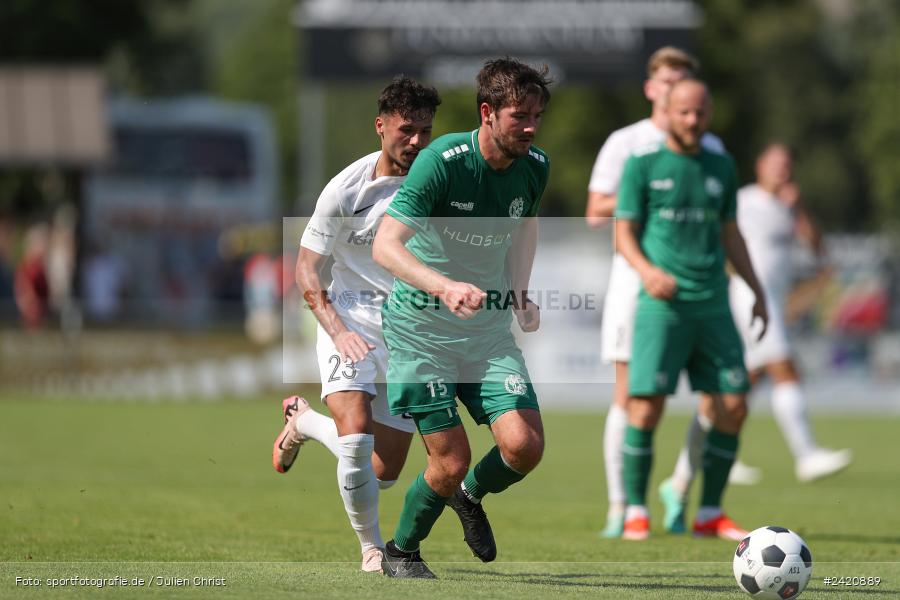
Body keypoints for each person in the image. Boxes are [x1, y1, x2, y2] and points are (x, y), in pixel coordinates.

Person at [372, 57, 551, 578]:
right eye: (520, 115)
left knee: (525, 446)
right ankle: (402, 551)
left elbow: (524, 227)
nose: (531, 126)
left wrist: (520, 293)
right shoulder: (442, 161)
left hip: (487, 334)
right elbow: (387, 246)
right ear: (487, 112)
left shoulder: (535, 165)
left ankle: (469, 497)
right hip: (420, 334)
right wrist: (444, 286)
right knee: (448, 461)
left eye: (537, 115)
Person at [271, 76, 441, 573]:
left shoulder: (437, 181)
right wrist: (337, 329)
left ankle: (301, 422)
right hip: (351, 323)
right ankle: (372, 550)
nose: (415, 142)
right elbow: (305, 268)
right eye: (406, 130)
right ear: (380, 125)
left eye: (425, 131)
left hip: (409, 337)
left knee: (382, 472)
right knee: (356, 435)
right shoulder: (345, 190)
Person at [585, 46, 731, 538]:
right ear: (652, 89)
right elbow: (593, 211)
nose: (674, 90)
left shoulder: (711, 149)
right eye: (667, 82)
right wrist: (643, 195)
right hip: (638, 276)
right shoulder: (627, 143)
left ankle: (683, 487)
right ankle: (621, 505)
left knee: (720, 399)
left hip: (699, 285)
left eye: (683, 81)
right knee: (634, 395)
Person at [615, 78, 768, 541]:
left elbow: (731, 233)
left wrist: (757, 289)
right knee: (645, 408)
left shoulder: (720, 165)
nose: (692, 120)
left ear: (710, 113)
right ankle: (636, 510)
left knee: (734, 405)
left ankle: (710, 513)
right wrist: (647, 271)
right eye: (684, 112)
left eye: (700, 112)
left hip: (714, 306)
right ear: (667, 110)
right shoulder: (642, 165)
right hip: (662, 307)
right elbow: (623, 232)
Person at [664, 143, 851, 491]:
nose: (782, 170)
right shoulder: (747, 200)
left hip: (772, 303)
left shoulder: (789, 206)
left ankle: (715, 456)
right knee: (785, 368)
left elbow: (818, 249)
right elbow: (720, 235)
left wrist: (799, 210)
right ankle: (806, 454)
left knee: (739, 384)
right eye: (775, 163)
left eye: (787, 164)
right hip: (750, 299)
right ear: (760, 166)